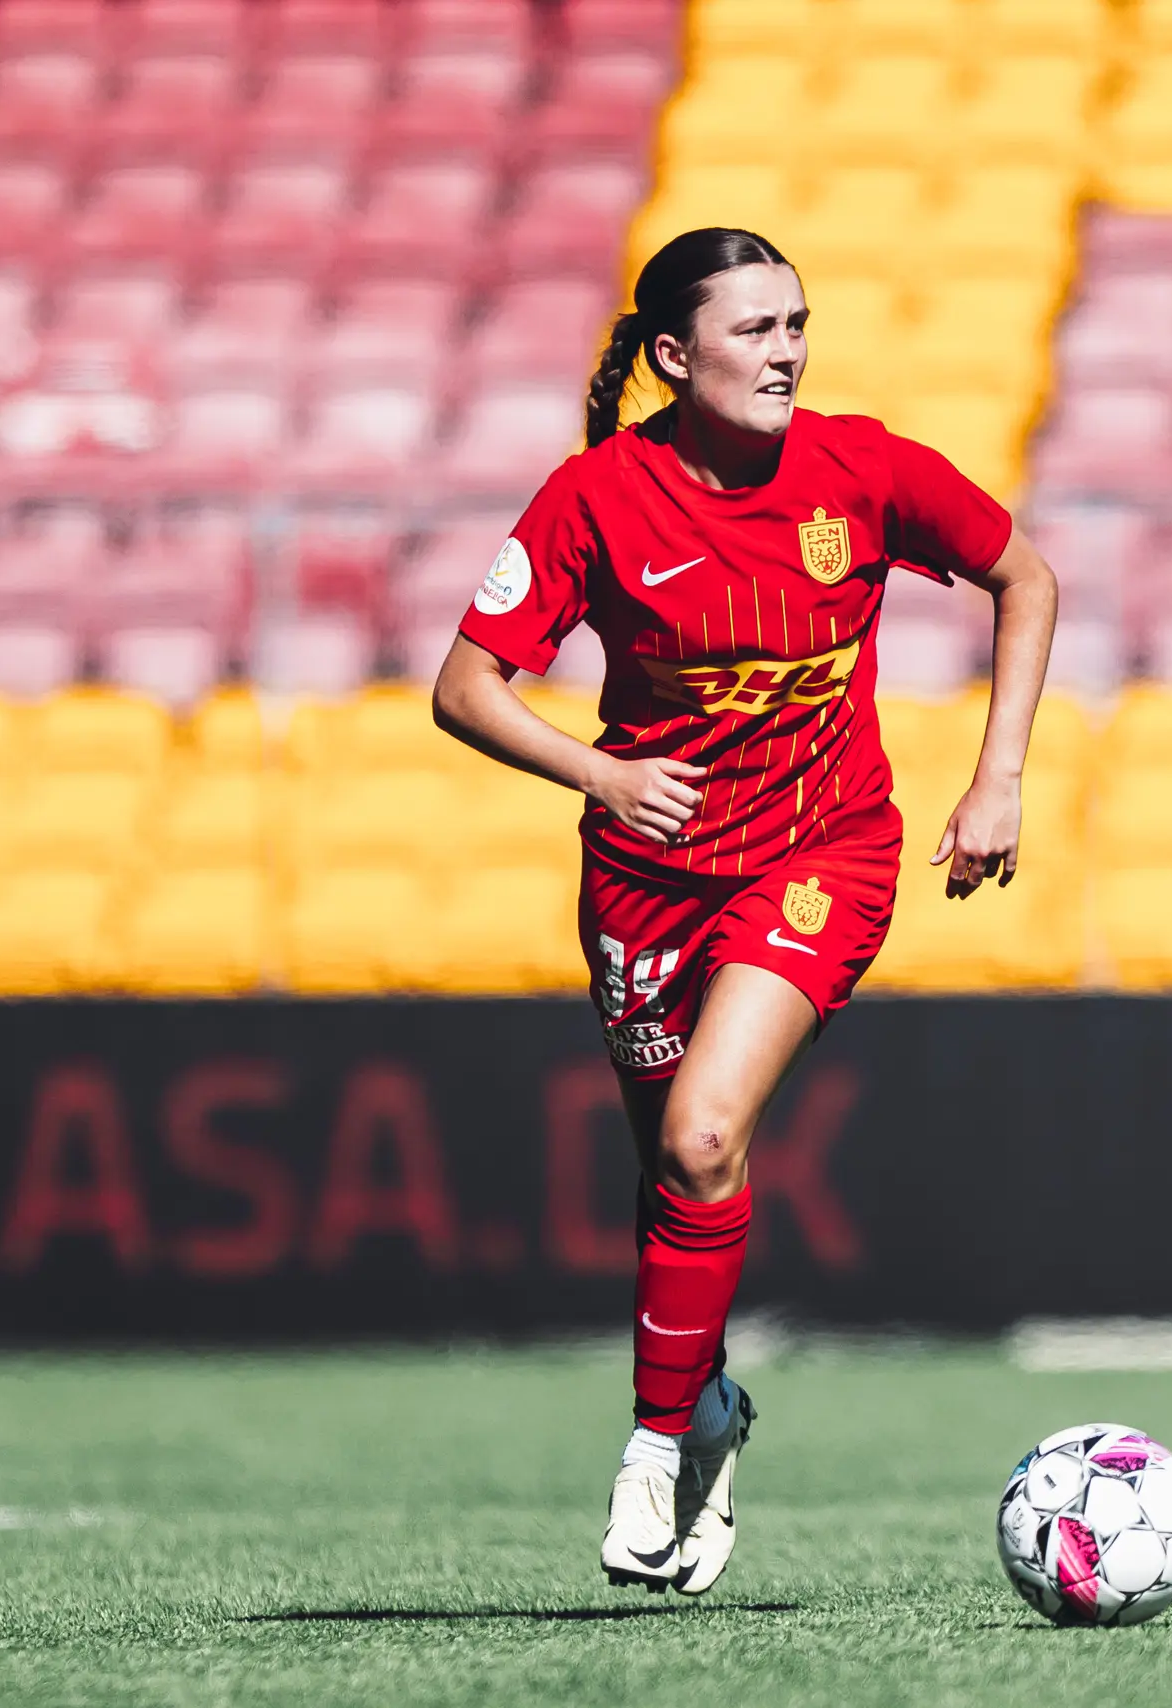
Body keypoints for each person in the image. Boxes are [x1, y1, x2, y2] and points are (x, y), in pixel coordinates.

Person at [431, 228, 1060, 1594]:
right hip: (645, 880)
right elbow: (464, 688)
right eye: (756, 330)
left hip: (823, 853)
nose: (788, 354)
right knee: (678, 1174)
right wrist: (600, 772)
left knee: (707, 1132)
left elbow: (1027, 575)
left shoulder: (862, 469)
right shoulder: (596, 498)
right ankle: (707, 1405)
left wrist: (998, 776)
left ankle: (655, 1447)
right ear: (673, 355)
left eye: (797, 325)